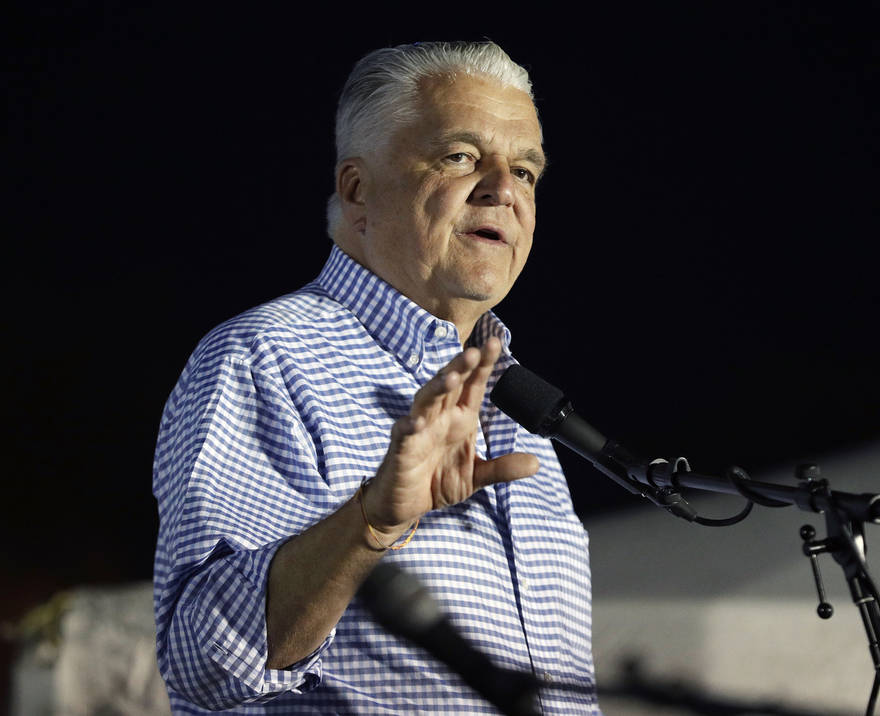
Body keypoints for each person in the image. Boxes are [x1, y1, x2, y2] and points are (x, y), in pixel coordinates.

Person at [152, 41, 599, 714]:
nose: (504, 189)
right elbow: (197, 662)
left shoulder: (517, 407)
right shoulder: (266, 357)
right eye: (461, 157)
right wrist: (367, 524)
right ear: (357, 191)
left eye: (527, 171)